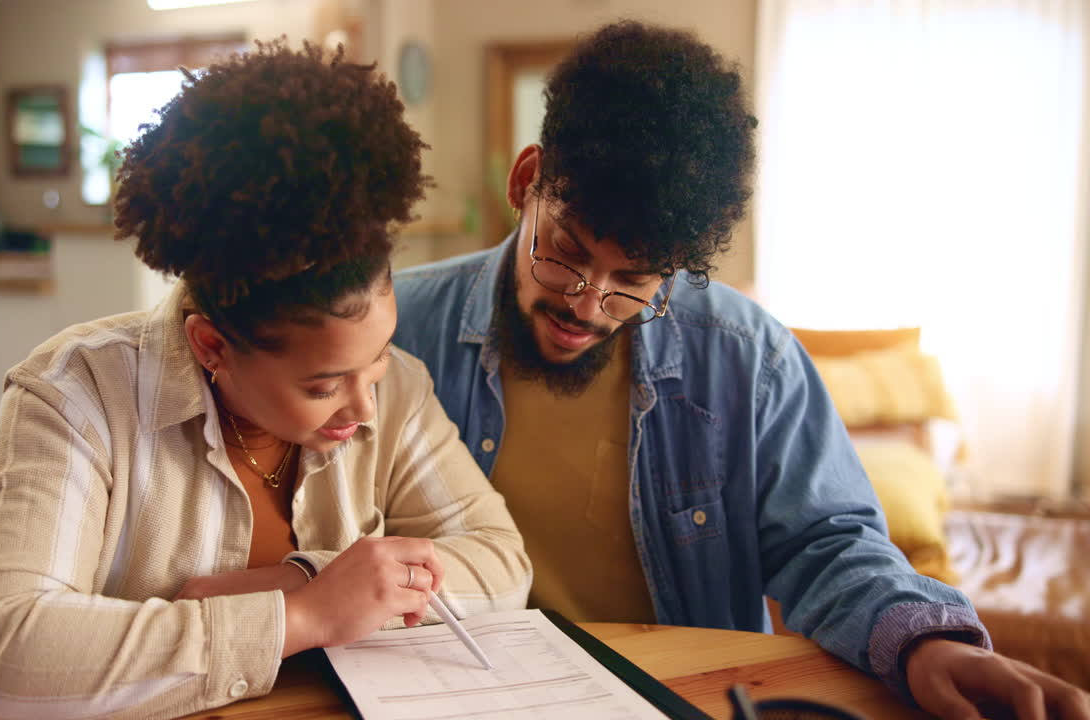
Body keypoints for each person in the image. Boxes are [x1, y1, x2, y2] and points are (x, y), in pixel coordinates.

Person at [392, 20, 1089, 720]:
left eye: (633, 279)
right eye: (566, 254)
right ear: (524, 182)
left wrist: (927, 644)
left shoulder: (748, 357)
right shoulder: (402, 330)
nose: (588, 303)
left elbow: (828, 543)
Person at [0, 40, 530, 720]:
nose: (365, 406)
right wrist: (299, 617)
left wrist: (299, 578)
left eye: (377, 357)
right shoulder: (78, 392)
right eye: (322, 385)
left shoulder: (394, 386)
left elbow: (501, 563)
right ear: (211, 345)